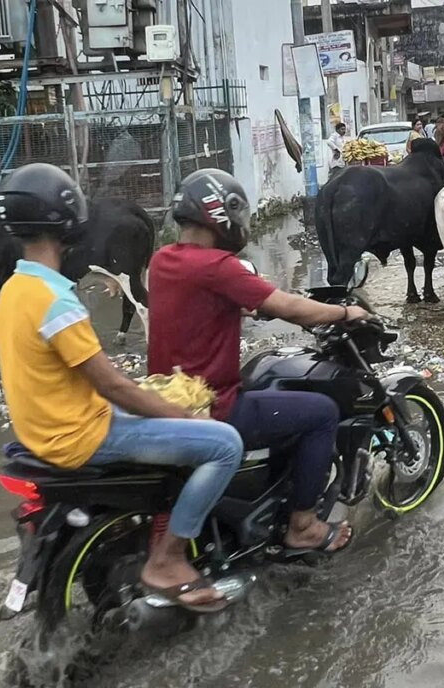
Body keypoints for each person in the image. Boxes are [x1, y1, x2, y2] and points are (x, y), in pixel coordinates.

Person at [0, 163, 244, 612]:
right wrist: (180, 413)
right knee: (224, 443)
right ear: (65, 218)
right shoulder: (55, 300)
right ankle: (166, 560)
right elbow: (112, 386)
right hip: (82, 435)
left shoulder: (15, 289)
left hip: (44, 434)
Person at [148, 169, 374, 556]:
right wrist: (344, 312)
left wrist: (244, 309)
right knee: (321, 412)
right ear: (223, 215)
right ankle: (302, 525)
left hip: (167, 401)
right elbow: (290, 308)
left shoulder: (162, 261)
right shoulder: (218, 267)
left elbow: (195, 308)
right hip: (213, 406)